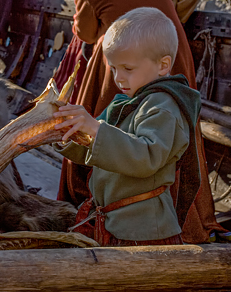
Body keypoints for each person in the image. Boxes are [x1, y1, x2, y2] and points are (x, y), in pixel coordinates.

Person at [56, 0, 229, 244]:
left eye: (126, 69)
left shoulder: (163, 109)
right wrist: (67, 135)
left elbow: (146, 156)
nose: (117, 78)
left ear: (164, 66)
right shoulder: (123, 101)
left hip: (145, 233)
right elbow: (98, 146)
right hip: (119, 224)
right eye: (113, 69)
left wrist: (95, 128)